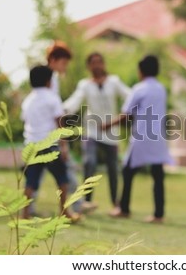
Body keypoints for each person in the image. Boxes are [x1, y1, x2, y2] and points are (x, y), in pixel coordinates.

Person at [106, 55, 173, 224]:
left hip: (142, 136)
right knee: (157, 174)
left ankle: (124, 208)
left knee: (128, 171)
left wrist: (107, 125)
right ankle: (159, 214)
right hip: (157, 136)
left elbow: (127, 114)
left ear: (141, 70)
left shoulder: (139, 89)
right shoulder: (161, 89)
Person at [63, 52, 131, 212]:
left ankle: (116, 204)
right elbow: (74, 102)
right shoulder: (85, 85)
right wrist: (59, 110)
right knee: (89, 162)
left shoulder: (114, 82)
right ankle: (86, 202)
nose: (97, 65)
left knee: (113, 168)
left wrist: (121, 117)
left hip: (111, 132)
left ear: (104, 64)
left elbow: (131, 97)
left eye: (99, 62)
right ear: (88, 66)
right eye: (93, 63)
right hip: (92, 131)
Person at [29, 41, 82, 215]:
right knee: (63, 174)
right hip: (49, 137)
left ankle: (28, 210)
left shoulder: (42, 84)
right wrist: (63, 142)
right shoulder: (48, 80)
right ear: (53, 59)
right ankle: (71, 208)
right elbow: (55, 113)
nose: (65, 67)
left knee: (35, 176)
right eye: (63, 63)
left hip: (36, 139)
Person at [21, 65, 78, 221]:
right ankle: (64, 212)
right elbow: (59, 123)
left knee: (30, 181)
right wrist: (64, 146)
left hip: (32, 145)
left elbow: (25, 121)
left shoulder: (28, 100)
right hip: (50, 144)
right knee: (62, 179)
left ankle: (25, 214)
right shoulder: (52, 98)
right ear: (48, 81)